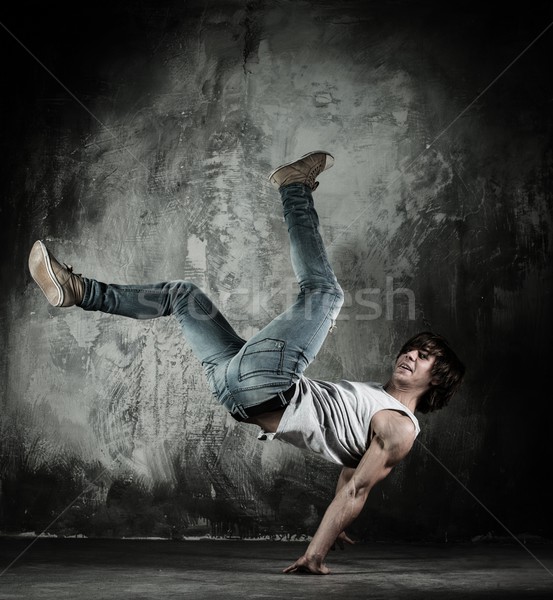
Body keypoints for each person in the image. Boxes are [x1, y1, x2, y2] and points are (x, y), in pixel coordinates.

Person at [28, 151, 465, 574]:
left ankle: (294, 187)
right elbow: (351, 467)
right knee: (183, 296)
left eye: (424, 358)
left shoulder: (400, 427)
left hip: (266, 386)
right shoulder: (374, 402)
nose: (410, 355)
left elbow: (356, 487)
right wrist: (338, 528)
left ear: (436, 382)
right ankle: (79, 291)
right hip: (233, 388)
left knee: (327, 295)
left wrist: (317, 551)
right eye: (412, 349)